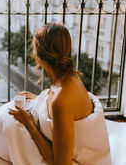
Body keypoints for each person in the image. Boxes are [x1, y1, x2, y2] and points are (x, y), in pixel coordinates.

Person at [9, 23, 110, 165]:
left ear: (38, 56)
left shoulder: (60, 101)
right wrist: (40, 100)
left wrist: (29, 124)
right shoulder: (71, 76)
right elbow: (68, 110)